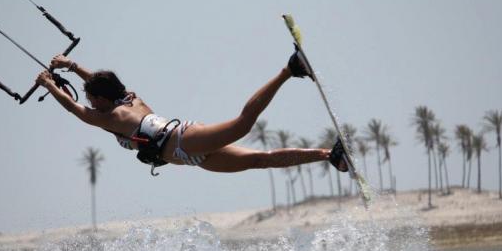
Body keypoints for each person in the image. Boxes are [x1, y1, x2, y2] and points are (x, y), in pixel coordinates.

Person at [35, 49, 348, 175]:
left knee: (242, 124)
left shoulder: (112, 117)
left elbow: (76, 109)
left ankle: (289, 69)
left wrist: (50, 85)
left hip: (185, 140)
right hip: (188, 156)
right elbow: (101, 84)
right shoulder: (129, 99)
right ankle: (329, 155)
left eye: (93, 99)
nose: (90, 104)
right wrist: (72, 67)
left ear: (102, 100)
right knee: (258, 160)